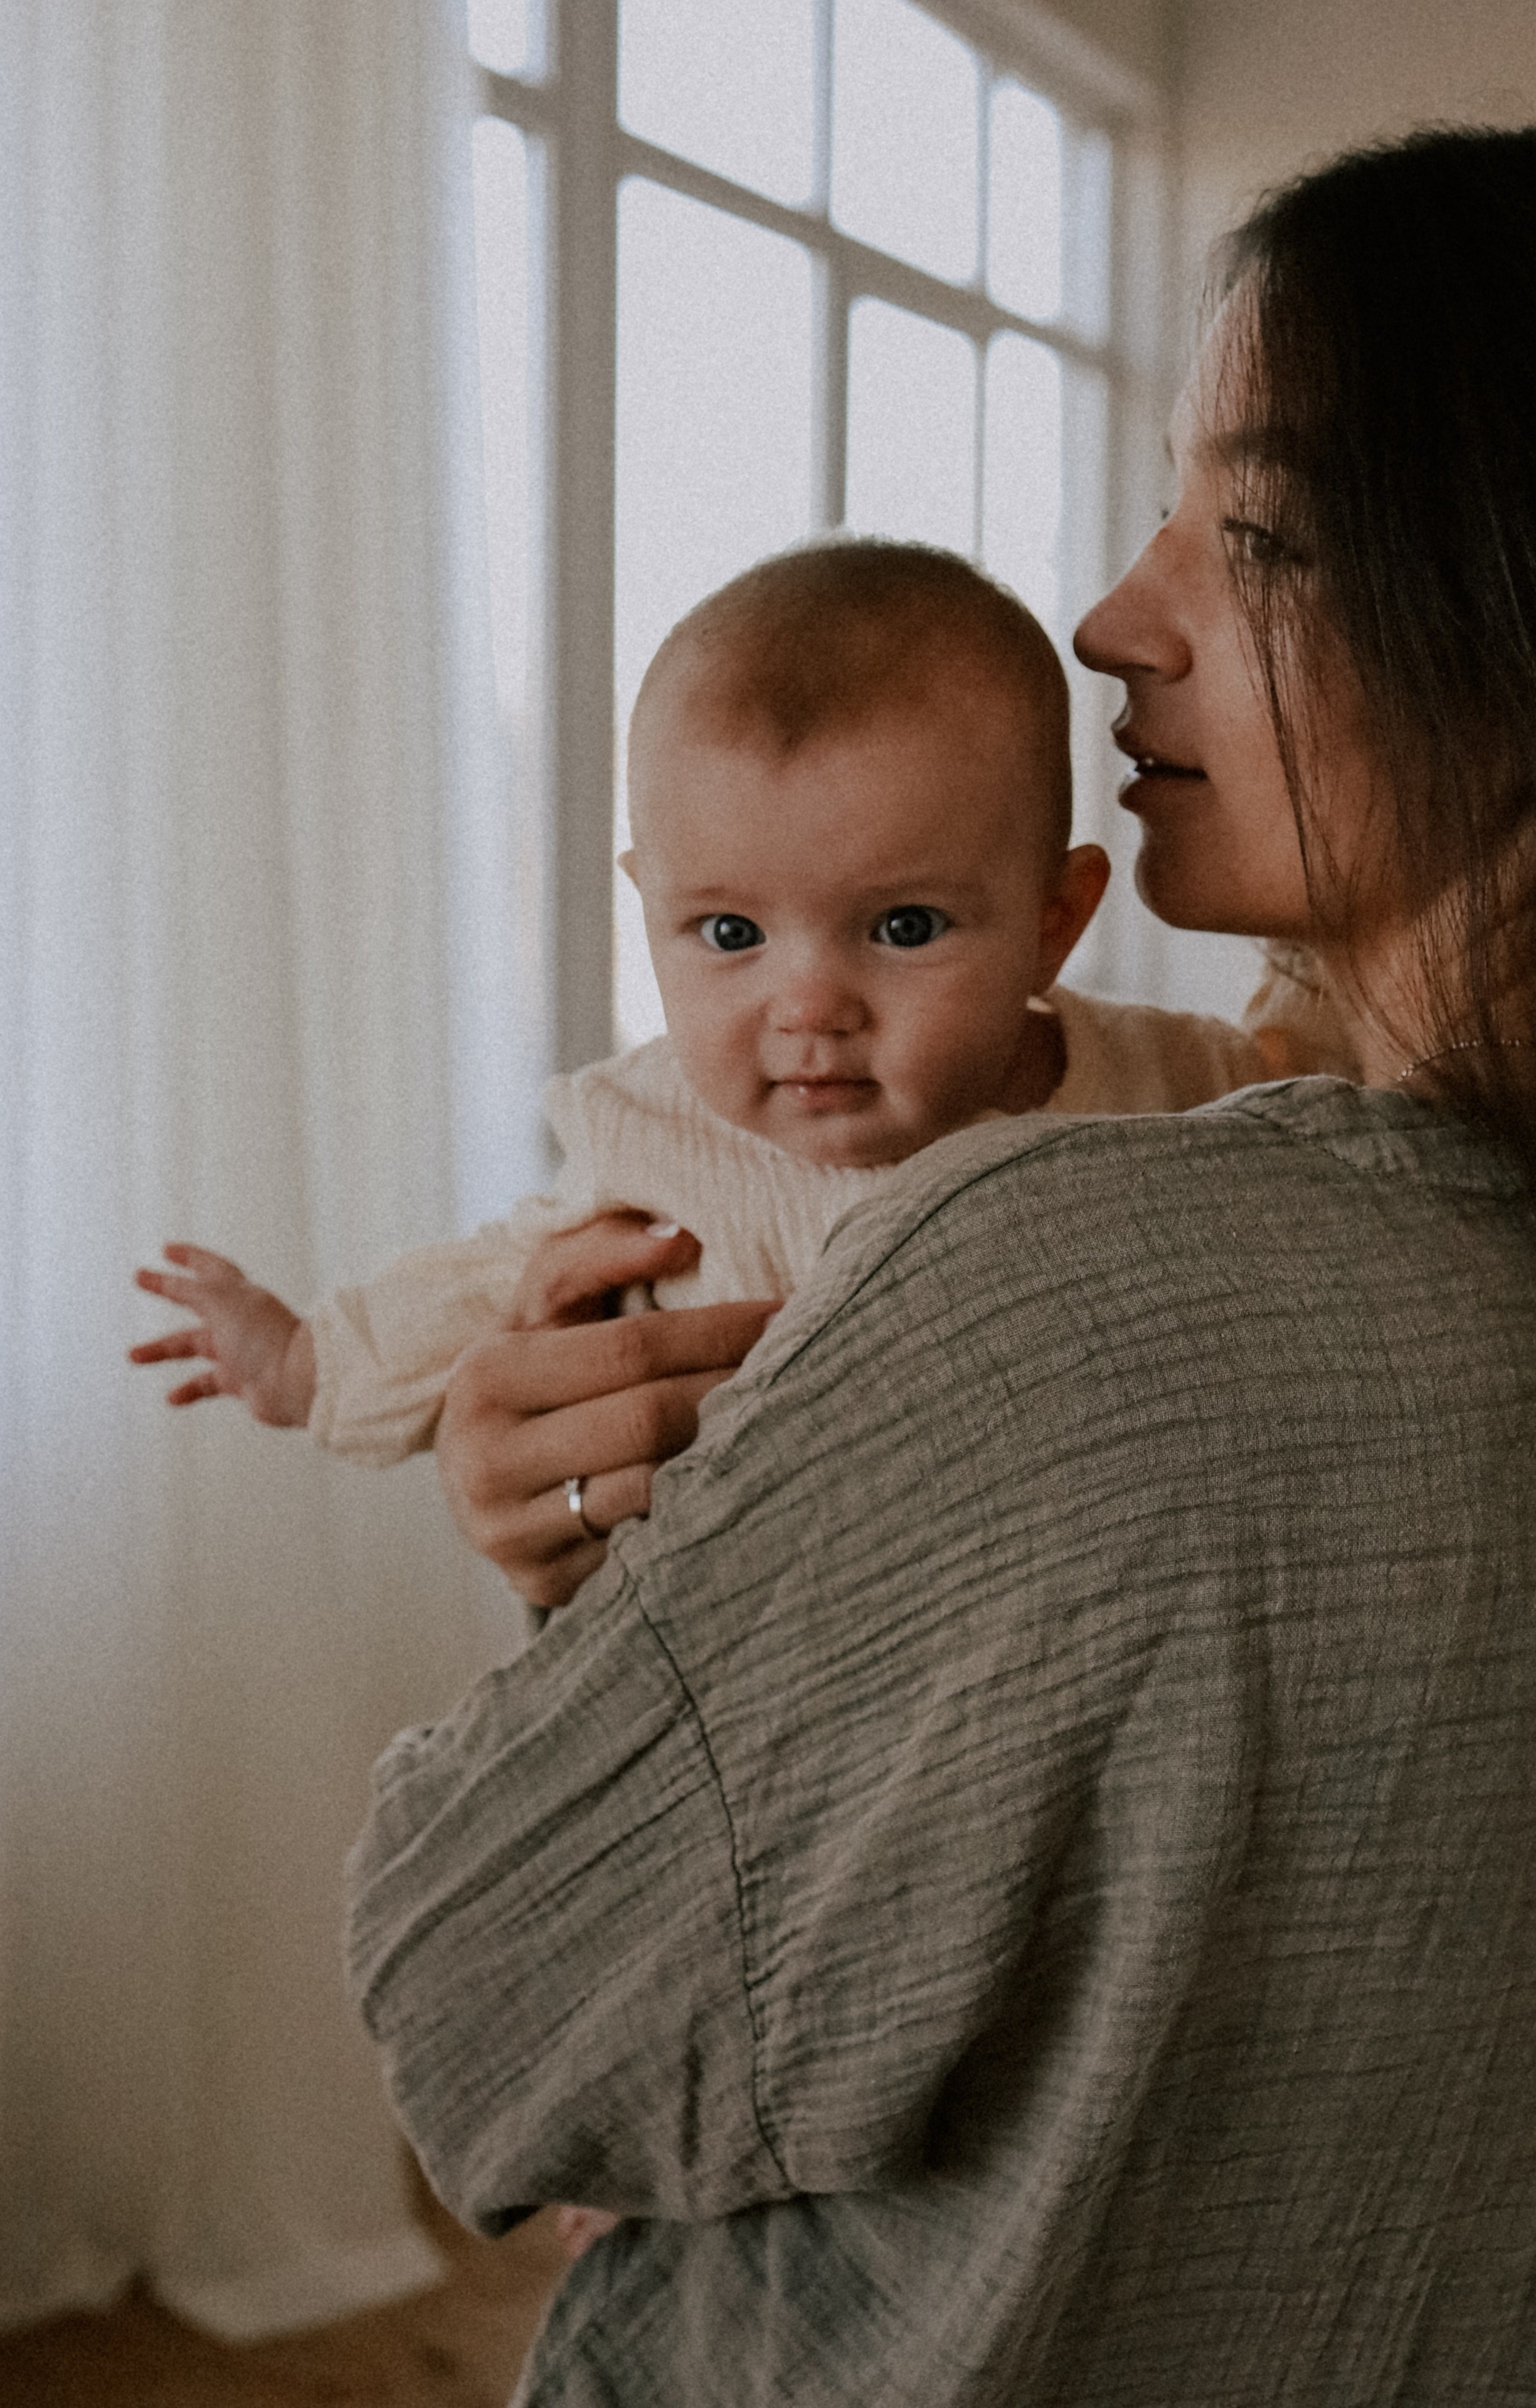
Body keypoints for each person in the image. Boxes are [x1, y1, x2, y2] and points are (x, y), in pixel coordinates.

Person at [345, 124, 1536, 2402]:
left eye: (1257, 532)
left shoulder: (1054, 1273)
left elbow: (489, 2009)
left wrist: (614, 1623)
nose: (1113, 613)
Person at [128, 541, 1315, 1482]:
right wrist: (304, 1359)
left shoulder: (1169, 1088)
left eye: (903, 928)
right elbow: (486, 1287)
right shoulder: (652, 1139)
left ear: (1053, 922)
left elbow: (1313, 1144)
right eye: (732, 936)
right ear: (652, 908)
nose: (809, 1008)